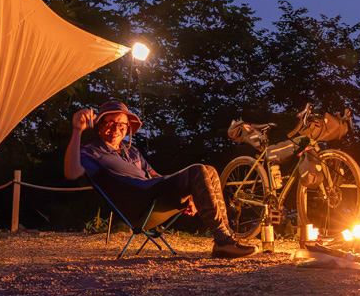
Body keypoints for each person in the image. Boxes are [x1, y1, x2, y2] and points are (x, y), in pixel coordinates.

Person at [64, 100, 256, 259]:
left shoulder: (131, 151)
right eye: (110, 123)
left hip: (156, 198)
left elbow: (155, 175)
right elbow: (71, 173)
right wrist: (76, 130)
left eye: (122, 124)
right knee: (197, 169)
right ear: (99, 126)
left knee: (209, 170)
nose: (116, 128)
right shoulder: (91, 152)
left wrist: (192, 194)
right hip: (138, 202)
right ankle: (222, 241)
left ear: (127, 128)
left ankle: (226, 238)